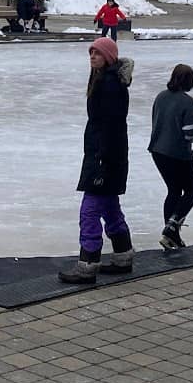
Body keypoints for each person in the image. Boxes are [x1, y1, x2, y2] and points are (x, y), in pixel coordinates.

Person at [58, 36, 134, 284]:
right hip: (108, 155)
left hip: (105, 157)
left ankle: (88, 264)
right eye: (91, 53)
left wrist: (101, 161)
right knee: (110, 207)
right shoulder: (104, 79)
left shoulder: (110, 85)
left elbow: (109, 125)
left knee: (89, 212)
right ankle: (123, 256)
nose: (92, 57)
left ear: (108, 57)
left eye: (97, 54)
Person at [148, 63, 193, 250]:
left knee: (173, 190)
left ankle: (171, 234)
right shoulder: (188, 102)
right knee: (192, 189)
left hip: (157, 150)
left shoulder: (161, 97)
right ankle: (172, 228)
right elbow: (191, 134)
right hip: (178, 153)